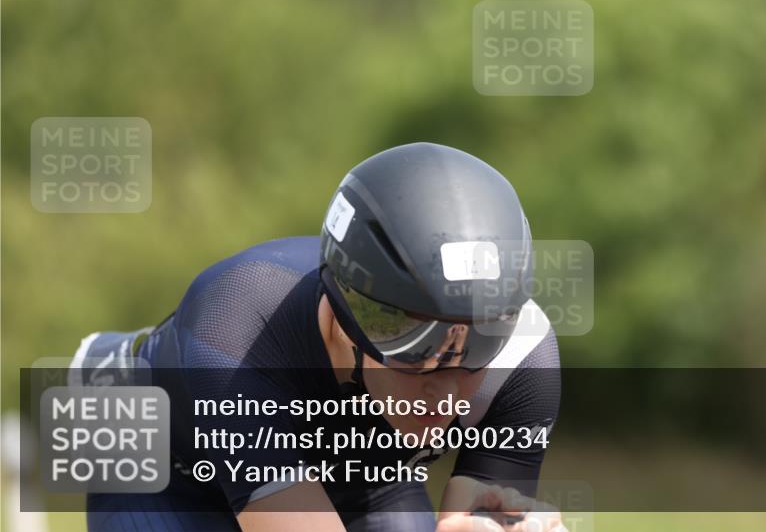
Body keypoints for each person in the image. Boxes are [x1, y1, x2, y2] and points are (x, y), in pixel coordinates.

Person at [76, 143, 565, 532]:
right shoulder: (236, 322)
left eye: (480, 345)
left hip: (356, 470)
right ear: (345, 316)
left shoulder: (526, 355)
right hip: (159, 454)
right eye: (414, 345)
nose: (447, 390)